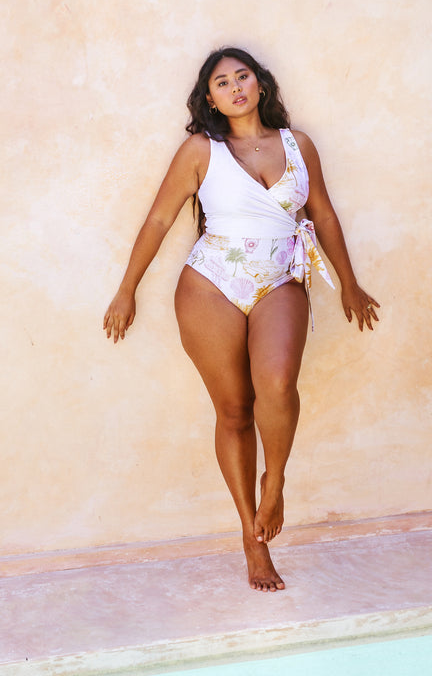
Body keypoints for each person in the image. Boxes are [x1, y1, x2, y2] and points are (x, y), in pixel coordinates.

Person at [103, 47, 379, 592]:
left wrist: (349, 282)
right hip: (210, 283)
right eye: (222, 82)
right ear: (210, 98)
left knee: (276, 384)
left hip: (280, 278)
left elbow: (320, 212)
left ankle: (274, 481)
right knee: (233, 409)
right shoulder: (200, 150)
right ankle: (253, 543)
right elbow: (160, 217)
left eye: (242, 77)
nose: (234, 88)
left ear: (260, 83)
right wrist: (126, 290)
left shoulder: (299, 146)